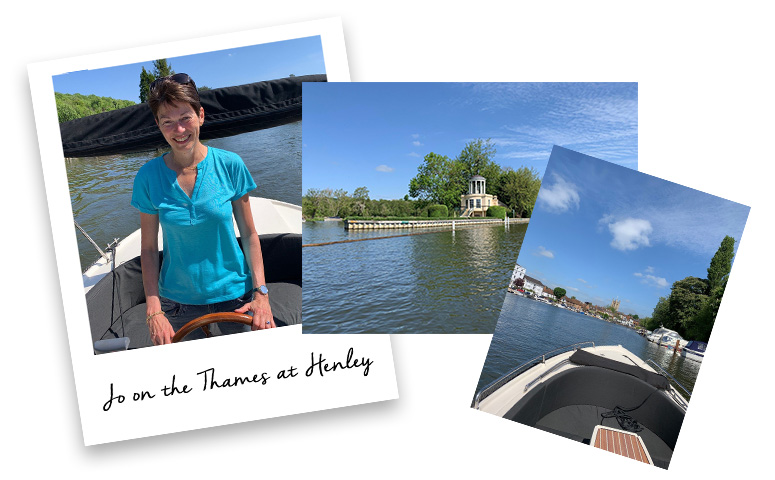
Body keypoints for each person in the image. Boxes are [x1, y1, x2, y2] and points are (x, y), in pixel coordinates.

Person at [131, 73, 275, 345]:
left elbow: (249, 234)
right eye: (168, 122)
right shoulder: (147, 177)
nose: (179, 130)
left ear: (201, 115)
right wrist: (153, 308)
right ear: (158, 125)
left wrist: (261, 294)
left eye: (185, 118)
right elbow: (149, 248)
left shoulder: (231, 165)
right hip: (176, 303)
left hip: (236, 296)